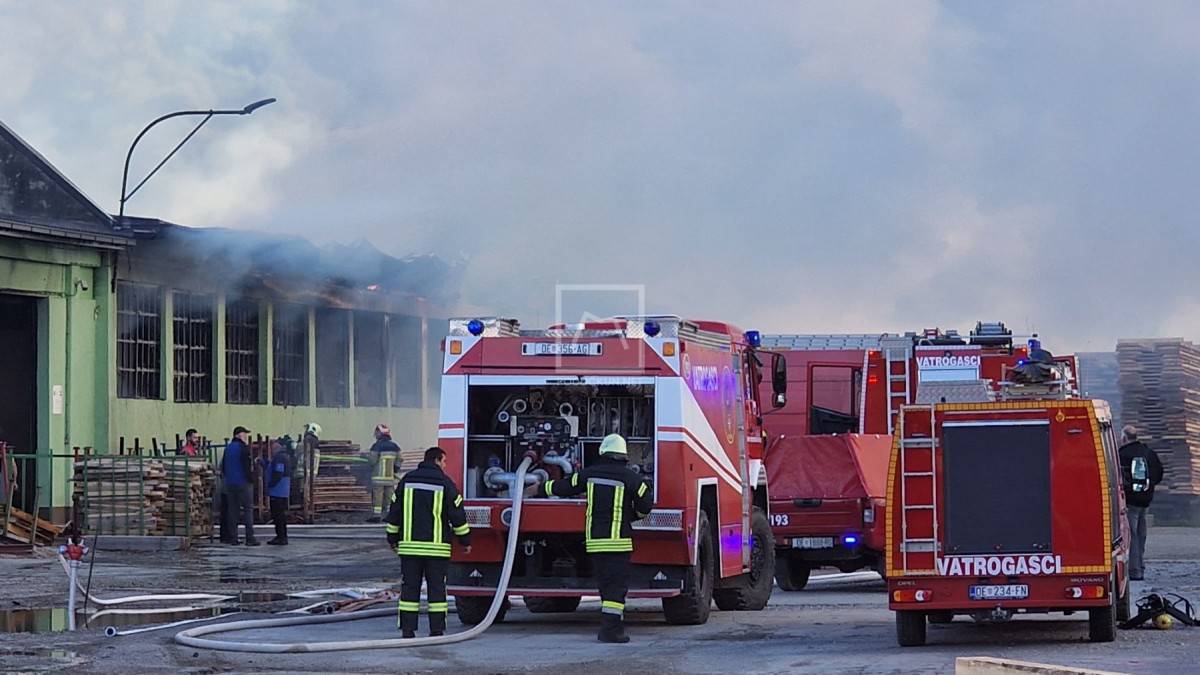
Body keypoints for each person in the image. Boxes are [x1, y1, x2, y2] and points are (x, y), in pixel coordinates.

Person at [534, 434, 652, 643]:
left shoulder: (588, 474)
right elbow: (645, 506)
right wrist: (630, 517)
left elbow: (564, 487)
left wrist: (539, 488)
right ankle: (611, 631)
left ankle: (610, 628)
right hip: (618, 543)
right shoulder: (633, 479)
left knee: (606, 586)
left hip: (595, 542)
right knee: (616, 589)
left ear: (603, 452)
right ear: (624, 455)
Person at [384, 446, 471, 638]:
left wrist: (392, 538)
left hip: (410, 549)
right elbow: (457, 515)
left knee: (409, 590)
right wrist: (465, 541)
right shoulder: (445, 483)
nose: (445, 465)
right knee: (437, 591)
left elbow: (394, 512)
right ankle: (436, 630)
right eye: (444, 461)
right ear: (438, 460)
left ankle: (408, 631)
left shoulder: (407, 481)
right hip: (437, 550)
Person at [1119, 425, 1164, 580]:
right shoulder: (1149, 453)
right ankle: (1141, 566)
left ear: (1124, 438)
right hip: (1145, 501)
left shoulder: (1122, 454)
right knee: (1141, 534)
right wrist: (1148, 487)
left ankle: (1135, 571)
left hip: (1130, 502)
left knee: (1131, 535)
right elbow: (1159, 474)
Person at [221, 426, 259, 546]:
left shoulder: (227, 448)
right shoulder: (243, 448)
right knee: (248, 510)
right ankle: (250, 538)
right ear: (238, 435)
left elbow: (223, 466)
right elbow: (247, 466)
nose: (246, 437)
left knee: (233, 511)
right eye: (244, 434)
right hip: (243, 483)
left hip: (230, 484)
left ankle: (233, 538)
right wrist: (252, 479)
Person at [262, 436, 295, 546]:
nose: (271, 448)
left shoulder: (280, 457)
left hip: (278, 491)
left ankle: (281, 537)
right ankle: (281, 536)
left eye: (273, 445)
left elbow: (278, 473)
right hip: (280, 490)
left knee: (278, 515)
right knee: (278, 515)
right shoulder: (281, 456)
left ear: (278, 446)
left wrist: (270, 485)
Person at [368, 424, 401, 522]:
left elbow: (372, 461)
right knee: (389, 497)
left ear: (380, 433)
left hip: (378, 478)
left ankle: (376, 516)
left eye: (376, 432)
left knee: (377, 497)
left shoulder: (376, 446)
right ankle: (390, 515)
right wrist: (395, 469)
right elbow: (400, 460)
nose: (375, 434)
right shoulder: (395, 446)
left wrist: (367, 459)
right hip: (390, 478)